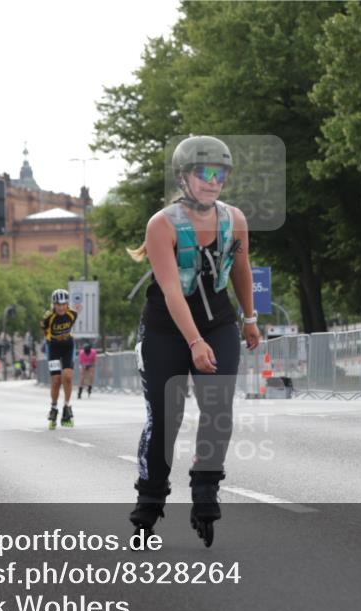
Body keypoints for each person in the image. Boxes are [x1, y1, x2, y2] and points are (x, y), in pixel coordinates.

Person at [125, 135, 261, 546]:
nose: (213, 180)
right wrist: (195, 342)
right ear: (184, 177)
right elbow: (170, 290)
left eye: (220, 173)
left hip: (218, 320)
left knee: (217, 410)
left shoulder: (233, 218)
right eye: (204, 173)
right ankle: (149, 504)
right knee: (166, 417)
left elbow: (241, 268)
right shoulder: (161, 224)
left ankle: (205, 492)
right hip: (168, 327)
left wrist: (250, 318)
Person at [40, 289, 81, 428]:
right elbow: (44, 330)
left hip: (68, 346)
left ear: (67, 304)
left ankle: (67, 406)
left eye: (64, 304)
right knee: (56, 380)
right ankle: (54, 407)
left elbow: (71, 326)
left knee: (68, 377)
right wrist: (51, 339)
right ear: (54, 304)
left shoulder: (73, 314)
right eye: (58, 304)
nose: (61, 307)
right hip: (53, 347)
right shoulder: (48, 317)